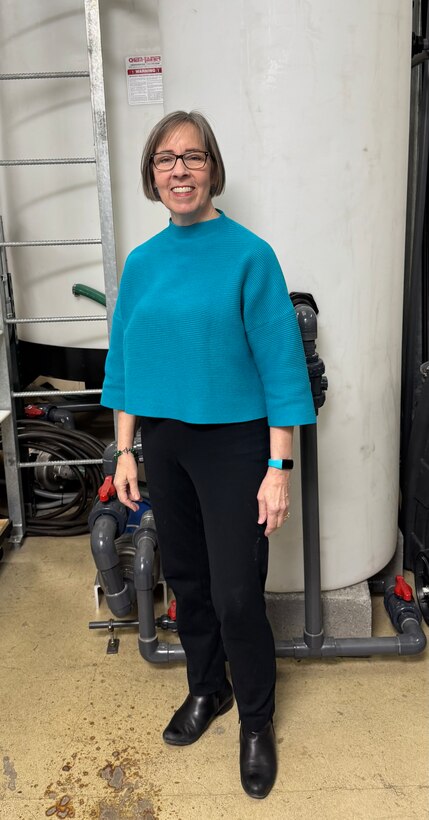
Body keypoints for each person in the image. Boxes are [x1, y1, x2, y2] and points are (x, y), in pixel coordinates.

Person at [101, 110, 316, 799]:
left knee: (235, 593)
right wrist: (124, 451)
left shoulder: (250, 255)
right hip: (165, 443)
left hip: (235, 444)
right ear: (152, 175)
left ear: (212, 168)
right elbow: (126, 364)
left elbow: (282, 369)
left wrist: (277, 469)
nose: (179, 171)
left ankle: (255, 719)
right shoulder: (142, 264)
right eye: (165, 160)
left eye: (192, 157)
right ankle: (206, 689)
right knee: (188, 581)